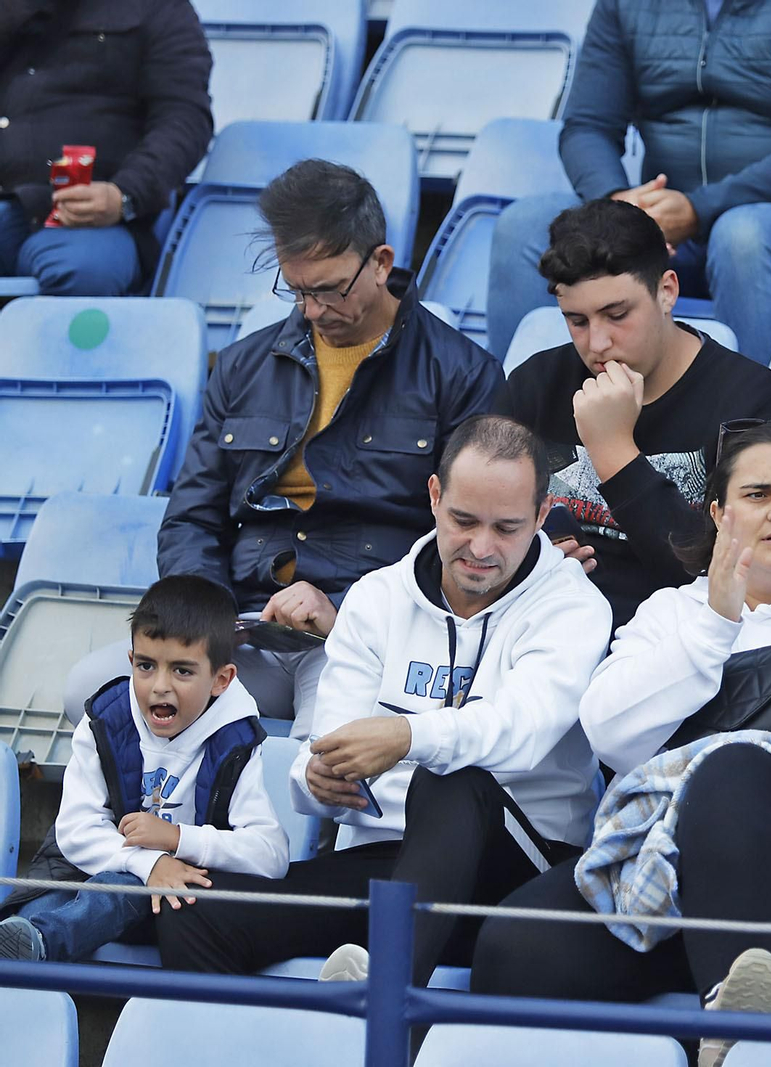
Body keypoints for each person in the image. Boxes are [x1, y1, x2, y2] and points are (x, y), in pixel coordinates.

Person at [472, 423, 771, 1067]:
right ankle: (723, 992)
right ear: (720, 513)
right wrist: (714, 624)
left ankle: (723, 1037)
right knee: (513, 948)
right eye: (757, 494)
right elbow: (610, 736)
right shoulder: (674, 612)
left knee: (739, 763)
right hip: (670, 891)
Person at [157, 416, 612, 986]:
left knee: (451, 777)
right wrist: (316, 779)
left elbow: (522, 731)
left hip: (520, 872)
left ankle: (380, 998)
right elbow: (315, 755)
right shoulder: (378, 598)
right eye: (464, 520)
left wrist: (408, 736)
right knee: (196, 915)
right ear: (434, 496)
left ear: (542, 517)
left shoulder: (573, 606)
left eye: (507, 528)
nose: (481, 547)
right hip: (385, 861)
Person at [61, 160, 505, 734]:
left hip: (370, 635)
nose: (313, 311)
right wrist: (210, 618)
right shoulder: (245, 365)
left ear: (381, 262)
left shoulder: (461, 373)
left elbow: (469, 539)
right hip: (244, 622)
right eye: (295, 290)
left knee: (324, 754)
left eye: (328, 290)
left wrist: (346, 613)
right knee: (92, 696)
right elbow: (191, 517)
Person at [485, 0, 771, 365]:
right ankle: (520, 426)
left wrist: (700, 209)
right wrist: (618, 205)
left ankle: (761, 430)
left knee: (742, 235)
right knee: (521, 227)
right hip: (662, 223)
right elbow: (588, 125)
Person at [494, 199, 771, 627]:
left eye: (616, 314)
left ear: (667, 291)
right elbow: (473, 526)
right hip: (539, 628)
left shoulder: (754, 404)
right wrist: (524, 558)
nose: (597, 343)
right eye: (576, 321)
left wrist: (615, 452)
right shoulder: (536, 384)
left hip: (684, 642)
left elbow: (743, 579)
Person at [0, 577, 287, 963]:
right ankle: (29, 943)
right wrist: (148, 861)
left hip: (178, 905)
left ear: (221, 679)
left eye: (182, 671)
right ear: (131, 661)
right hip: (88, 875)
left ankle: (42, 946)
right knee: (38, 909)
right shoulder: (104, 720)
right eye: (147, 666)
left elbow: (270, 854)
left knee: (121, 889)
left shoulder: (235, 739)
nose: (160, 687)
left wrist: (175, 839)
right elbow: (74, 831)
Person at [0, 0, 211, 295]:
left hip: (94, 220)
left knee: (84, 270)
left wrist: (124, 195)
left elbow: (185, 121)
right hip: (7, 203)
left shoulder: (159, 8)